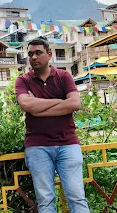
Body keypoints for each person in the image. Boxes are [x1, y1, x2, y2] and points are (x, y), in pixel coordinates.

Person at [15, 39, 90, 213]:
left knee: (77, 197)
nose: (34, 57)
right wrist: (60, 102)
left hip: (68, 145)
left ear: (49, 55)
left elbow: (74, 104)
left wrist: (39, 108)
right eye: (31, 54)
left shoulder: (64, 77)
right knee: (45, 200)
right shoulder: (23, 81)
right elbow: (27, 106)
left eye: (38, 53)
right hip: (37, 146)